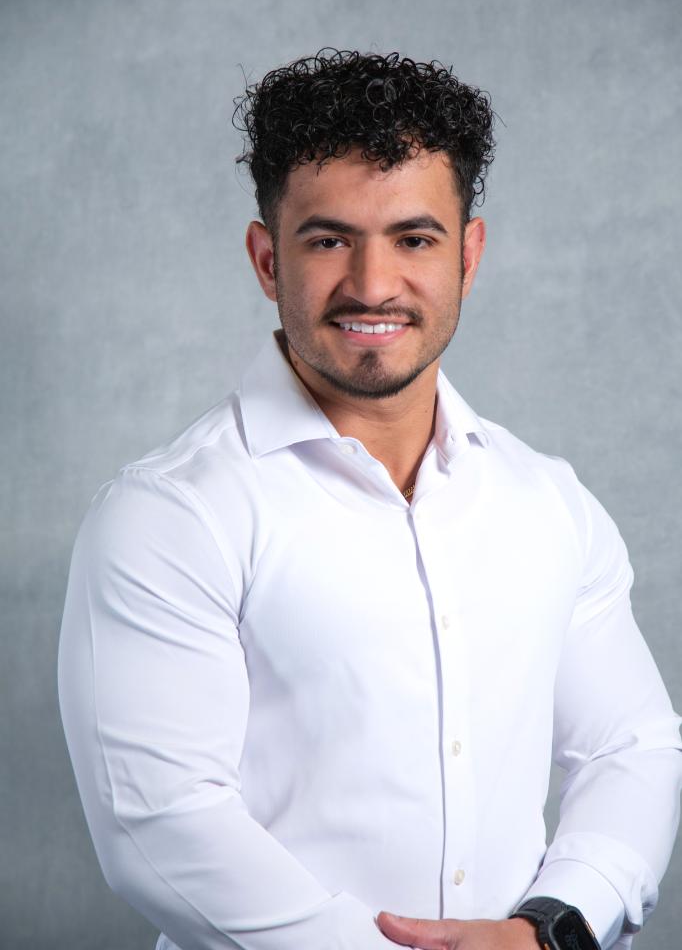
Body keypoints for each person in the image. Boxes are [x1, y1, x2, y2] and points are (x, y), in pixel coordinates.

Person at [58, 49, 681, 950]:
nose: (373, 284)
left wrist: (548, 930)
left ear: (468, 255)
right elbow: (158, 825)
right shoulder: (169, 517)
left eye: (414, 239)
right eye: (328, 240)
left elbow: (632, 747)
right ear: (266, 259)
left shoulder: (548, 502)